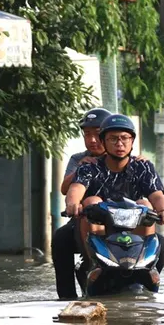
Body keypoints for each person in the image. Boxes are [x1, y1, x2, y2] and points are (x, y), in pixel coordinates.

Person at [65, 113, 164, 270]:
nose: (119, 144)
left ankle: (147, 270)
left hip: (134, 229)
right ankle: (92, 265)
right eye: (113, 139)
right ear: (104, 141)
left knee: (146, 208)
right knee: (90, 203)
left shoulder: (143, 167)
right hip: (99, 230)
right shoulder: (88, 167)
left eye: (124, 138)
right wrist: (73, 204)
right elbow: (76, 188)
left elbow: (156, 195)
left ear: (132, 142)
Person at [52, 107, 111, 299]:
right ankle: (66, 297)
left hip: (123, 220)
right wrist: (80, 168)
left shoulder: (128, 159)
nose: (92, 140)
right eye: (87, 135)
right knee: (61, 239)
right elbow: (65, 189)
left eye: (97, 134)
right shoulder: (79, 160)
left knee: (160, 244)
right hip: (85, 218)